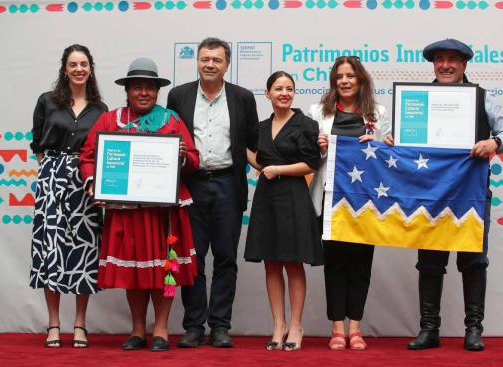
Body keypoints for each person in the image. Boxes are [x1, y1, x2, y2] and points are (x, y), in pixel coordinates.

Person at [392, 39, 503, 352]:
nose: (445, 65)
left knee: (474, 261)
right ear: (433, 64)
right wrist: (394, 137)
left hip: (469, 194)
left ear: (464, 65)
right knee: (429, 263)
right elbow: (399, 139)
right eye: (439, 60)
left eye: (452, 60)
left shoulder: (482, 98)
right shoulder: (417, 100)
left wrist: (495, 144)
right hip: (430, 194)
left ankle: (473, 330)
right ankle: (429, 329)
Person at [79, 57, 199, 352]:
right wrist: (95, 182)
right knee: (135, 269)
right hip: (127, 211)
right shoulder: (111, 120)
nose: (143, 93)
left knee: (163, 269)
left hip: (163, 212)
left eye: (149, 88)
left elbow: (195, 160)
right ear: (128, 90)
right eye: (137, 87)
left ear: (157, 91)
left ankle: (160, 329)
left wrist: (182, 154)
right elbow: (88, 157)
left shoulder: (171, 119)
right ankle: (137, 331)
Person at [166, 37, 259, 348]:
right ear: (197, 61)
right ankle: (193, 326)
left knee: (225, 259)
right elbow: (167, 140)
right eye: (205, 59)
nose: (210, 64)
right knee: (191, 259)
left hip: (228, 186)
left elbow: (255, 143)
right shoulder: (177, 96)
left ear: (226, 65)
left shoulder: (243, 98)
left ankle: (220, 326)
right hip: (190, 185)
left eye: (217, 60)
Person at [308, 56, 391, 350]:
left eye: (350, 76)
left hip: (367, 201)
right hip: (331, 198)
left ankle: (356, 328)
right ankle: (337, 330)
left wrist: (383, 144)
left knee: (361, 264)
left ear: (361, 80)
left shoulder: (378, 113)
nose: (344, 81)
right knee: (335, 265)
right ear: (334, 81)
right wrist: (316, 148)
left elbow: (387, 157)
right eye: (339, 76)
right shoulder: (318, 112)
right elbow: (309, 158)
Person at [29, 44, 107, 348]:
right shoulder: (47, 101)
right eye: (73, 64)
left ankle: (79, 325)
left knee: (84, 249)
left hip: (85, 180)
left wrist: (88, 178)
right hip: (52, 178)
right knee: (51, 248)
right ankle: (53, 324)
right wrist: (51, 175)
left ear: (90, 68)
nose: (79, 69)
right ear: (65, 69)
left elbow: (101, 149)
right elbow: (38, 145)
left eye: (84, 64)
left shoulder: (100, 108)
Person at [245, 71, 322, 351]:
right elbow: (249, 151)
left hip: (293, 196)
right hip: (267, 198)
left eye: (289, 88)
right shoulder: (261, 127)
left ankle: (296, 325)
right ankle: (278, 324)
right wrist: (263, 168)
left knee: (293, 262)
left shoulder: (305, 124)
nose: (284, 93)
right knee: (271, 262)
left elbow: (312, 163)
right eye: (278, 88)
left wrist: (278, 169)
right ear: (268, 94)